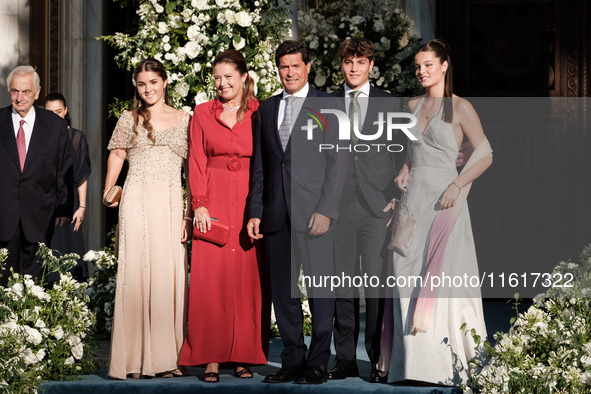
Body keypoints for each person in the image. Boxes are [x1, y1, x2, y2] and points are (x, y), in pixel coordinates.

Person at [381, 39, 493, 386]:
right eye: (417, 66)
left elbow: (486, 153)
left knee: (443, 280)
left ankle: (445, 366)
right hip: (414, 201)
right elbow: (411, 154)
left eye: (428, 65)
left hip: (446, 202)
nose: (421, 72)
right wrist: (403, 170)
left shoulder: (460, 108)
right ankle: (410, 366)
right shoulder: (412, 105)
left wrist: (458, 186)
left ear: (445, 65)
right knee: (404, 275)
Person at [247, 40, 347, 385]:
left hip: (316, 215)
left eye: (295, 66)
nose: (289, 72)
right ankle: (291, 360)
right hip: (277, 215)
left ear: (307, 67)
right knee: (283, 293)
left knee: (321, 291)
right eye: (283, 66)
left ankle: (318, 362)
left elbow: (339, 164)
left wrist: (327, 211)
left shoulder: (330, 105)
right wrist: (255, 211)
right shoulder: (266, 110)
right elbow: (261, 167)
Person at [178, 49, 269, 383]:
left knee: (249, 279)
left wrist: (263, 207)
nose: (222, 83)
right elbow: (196, 162)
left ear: (244, 77)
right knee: (209, 280)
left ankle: (245, 354)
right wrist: (198, 204)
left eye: (229, 76)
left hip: (250, 200)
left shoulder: (261, 112)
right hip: (213, 200)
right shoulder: (201, 113)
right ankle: (211, 356)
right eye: (217, 77)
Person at [103, 58, 191, 379]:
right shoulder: (129, 118)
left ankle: (168, 358)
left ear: (164, 82)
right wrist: (109, 188)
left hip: (169, 202)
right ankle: (133, 361)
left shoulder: (185, 119)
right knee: (135, 276)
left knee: (168, 276)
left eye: (153, 82)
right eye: (142, 84)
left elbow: (191, 171)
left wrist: (189, 211)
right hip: (136, 200)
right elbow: (117, 153)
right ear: (136, 87)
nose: (148, 89)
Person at [328, 37, 401, 383]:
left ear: (372, 65)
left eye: (361, 62)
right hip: (339, 208)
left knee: (375, 287)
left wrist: (396, 199)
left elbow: (404, 155)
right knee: (343, 285)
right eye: (348, 62)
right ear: (341, 65)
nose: (354, 68)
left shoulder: (390, 103)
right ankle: (344, 360)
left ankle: (377, 359)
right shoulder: (326, 103)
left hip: (377, 208)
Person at [0, 65, 73, 286]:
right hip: (3, 215)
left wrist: (64, 207)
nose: (19, 97)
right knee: (3, 284)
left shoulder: (55, 125)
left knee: (35, 285)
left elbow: (64, 169)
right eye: (15, 91)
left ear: (37, 92)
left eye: (26, 92)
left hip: (40, 215)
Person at [44, 93, 91, 281]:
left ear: (65, 111)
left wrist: (82, 207)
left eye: (58, 111)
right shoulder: (39, 137)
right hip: (44, 204)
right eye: (50, 112)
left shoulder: (76, 137)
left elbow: (81, 176)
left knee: (70, 256)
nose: (55, 116)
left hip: (69, 205)